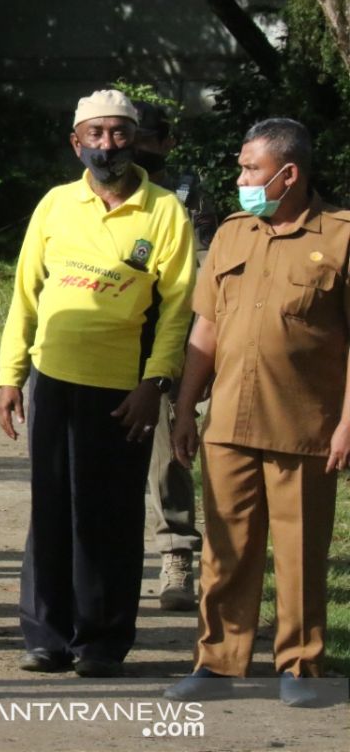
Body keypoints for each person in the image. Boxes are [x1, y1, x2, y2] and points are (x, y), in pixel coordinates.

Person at [0, 89, 195, 677]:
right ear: (75, 141)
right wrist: (11, 376)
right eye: (96, 134)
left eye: (119, 133)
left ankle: (102, 642)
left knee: (108, 515)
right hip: (52, 380)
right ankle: (47, 636)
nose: (107, 145)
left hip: (122, 392)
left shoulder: (164, 212)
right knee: (52, 507)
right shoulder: (55, 205)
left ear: (135, 139)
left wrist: (154, 383)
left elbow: (179, 307)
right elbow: (24, 295)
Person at [165, 119, 350, 708]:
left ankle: (300, 666)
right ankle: (218, 662)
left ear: (288, 174)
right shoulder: (231, 234)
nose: (241, 178)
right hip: (228, 425)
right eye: (243, 167)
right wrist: (187, 408)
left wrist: (348, 423)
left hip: (304, 425)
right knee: (225, 550)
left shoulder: (343, 237)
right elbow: (207, 325)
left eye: (252, 169)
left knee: (297, 555)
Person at [130, 100, 216, 612]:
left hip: (168, 348)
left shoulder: (188, 202)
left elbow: (207, 278)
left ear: (166, 143)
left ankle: (177, 554)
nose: (133, 146)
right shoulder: (99, 194)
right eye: (125, 135)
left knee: (170, 457)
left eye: (144, 137)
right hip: (103, 344)